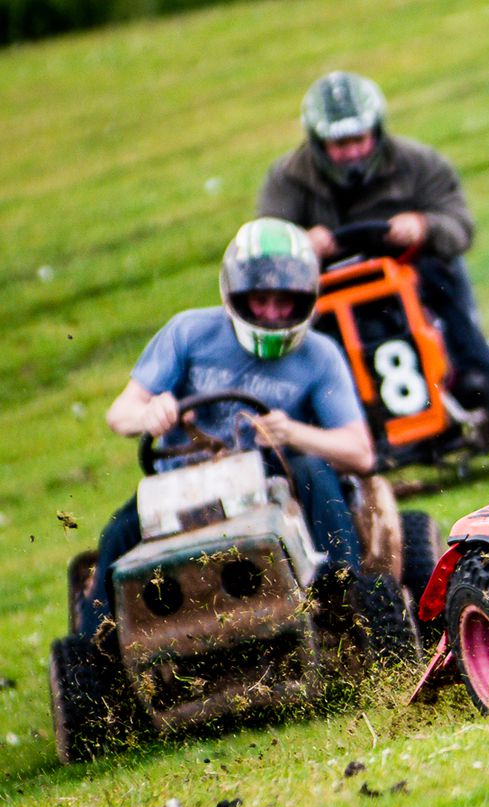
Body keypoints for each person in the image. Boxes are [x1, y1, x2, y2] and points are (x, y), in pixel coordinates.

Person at [79, 217, 378, 639]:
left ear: (307, 298)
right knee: (119, 532)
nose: (273, 313)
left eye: (285, 301)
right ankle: (98, 646)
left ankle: (344, 598)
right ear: (235, 294)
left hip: (271, 480)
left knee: (315, 473)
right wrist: (151, 413)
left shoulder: (320, 354)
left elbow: (360, 452)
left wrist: (293, 433)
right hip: (182, 485)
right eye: (261, 300)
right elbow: (119, 413)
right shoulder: (188, 332)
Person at [257, 70, 489, 405]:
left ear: (377, 131)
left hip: (411, 278)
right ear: (317, 141)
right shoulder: (286, 179)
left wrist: (423, 226)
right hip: (330, 293)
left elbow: (461, 227)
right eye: (340, 144)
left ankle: (474, 375)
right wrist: (298, 244)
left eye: (359, 140)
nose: (352, 152)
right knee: (284, 313)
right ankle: (324, 406)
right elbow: (261, 256)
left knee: (444, 269)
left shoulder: (418, 163)